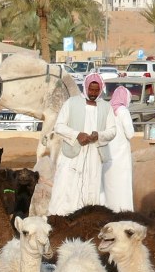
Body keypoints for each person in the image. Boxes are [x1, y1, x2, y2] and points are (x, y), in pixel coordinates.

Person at [47, 72, 113, 215]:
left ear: (101, 89)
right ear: (85, 87)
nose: (93, 93)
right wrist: (77, 135)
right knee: (66, 185)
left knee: (92, 186)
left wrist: (99, 135)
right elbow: (59, 126)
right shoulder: (71, 103)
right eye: (91, 89)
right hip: (73, 153)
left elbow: (112, 131)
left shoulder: (106, 107)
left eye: (96, 90)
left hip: (94, 154)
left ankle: (86, 218)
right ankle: (59, 218)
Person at [100, 84, 138, 211]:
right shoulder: (123, 111)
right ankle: (123, 212)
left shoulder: (107, 109)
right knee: (122, 186)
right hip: (121, 157)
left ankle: (109, 211)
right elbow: (130, 134)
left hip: (107, 155)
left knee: (109, 186)